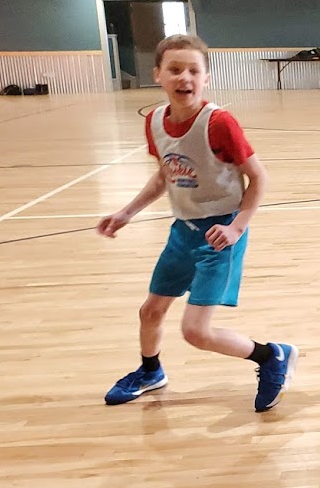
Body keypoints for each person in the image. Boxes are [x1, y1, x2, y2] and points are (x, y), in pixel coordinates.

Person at [96, 34, 297, 412]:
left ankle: (271, 356)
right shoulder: (155, 120)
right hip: (183, 231)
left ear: (206, 78)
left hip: (220, 233)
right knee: (150, 312)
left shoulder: (219, 123)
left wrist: (237, 227)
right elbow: (164, 176)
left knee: (195, 331)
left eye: (193, 70)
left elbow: (259, 177)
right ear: (158, 74)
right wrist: (127, 212)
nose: (184, 77)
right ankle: (150, 371)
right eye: (174, 69)